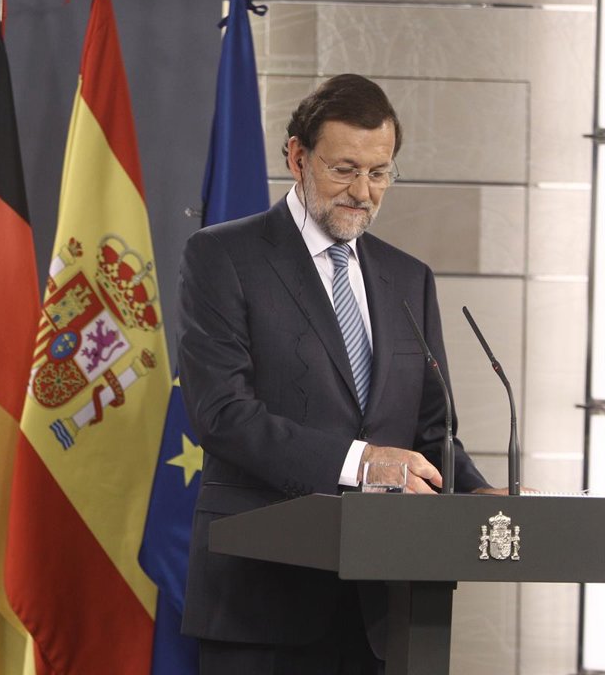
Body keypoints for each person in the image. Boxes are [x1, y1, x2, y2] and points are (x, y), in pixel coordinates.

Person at [177, 74, 503, 674]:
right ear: (297, 157)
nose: (362, 191)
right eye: (344, 169)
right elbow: (223, 415)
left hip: (385, 608)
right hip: (262, 604)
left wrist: (478, 494)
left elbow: (432, 431)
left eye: (379, 173)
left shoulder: (409, 278)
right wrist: (362, 462)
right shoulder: (222, 257)